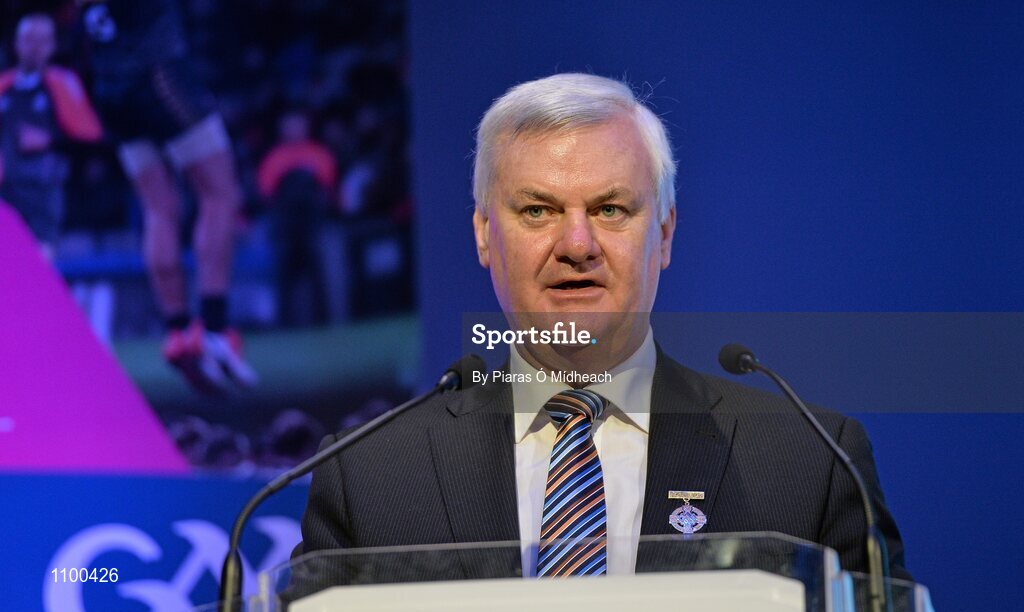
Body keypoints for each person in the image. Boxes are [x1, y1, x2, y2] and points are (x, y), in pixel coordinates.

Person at [294, 73, 908, 582]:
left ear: (664, 234)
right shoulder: (370, 474)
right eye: (538, 210)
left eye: (611, 209)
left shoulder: (811, 462)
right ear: (484, 235)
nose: (577, 244)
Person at [78, 0, 256, 391]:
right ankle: (215, 328)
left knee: (159, 208)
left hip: (110, 90)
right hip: (160, 77)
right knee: (220, 195)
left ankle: (177, 330)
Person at [0, 13, 102, 259]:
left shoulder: (62, 83)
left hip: (42, 194)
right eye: (28, 39)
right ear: (16, 43)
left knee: (39, 267)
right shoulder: (4, 86)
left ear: (53, 46)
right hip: (4, 196)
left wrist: (49, 141)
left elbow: (91, 141)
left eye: (42, 41)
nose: (34, 48)